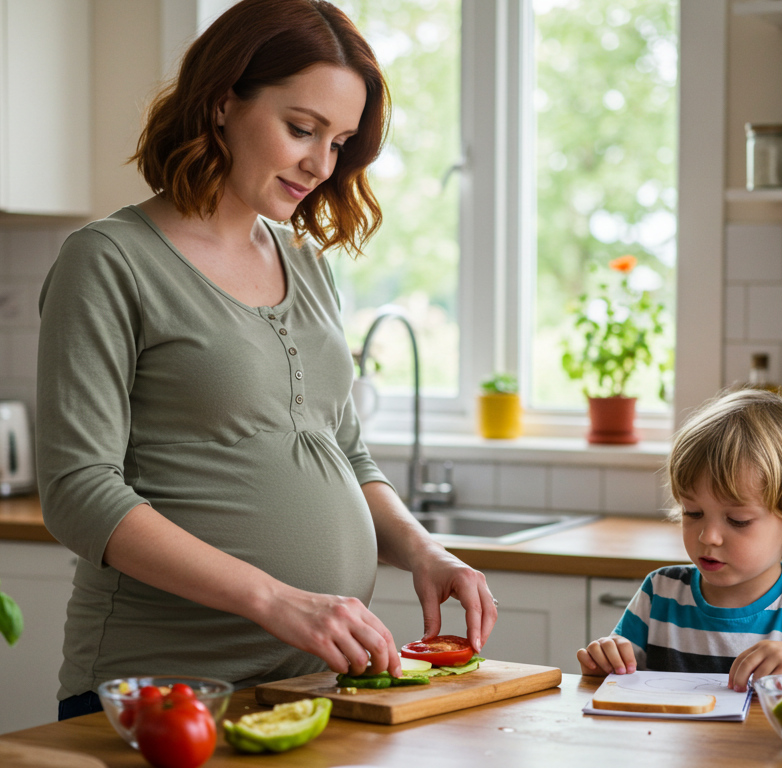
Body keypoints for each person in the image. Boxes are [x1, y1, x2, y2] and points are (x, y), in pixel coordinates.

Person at [38, 0, 496, 720]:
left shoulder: (306, 264)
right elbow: (78, 492)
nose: (321, 164)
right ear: (223, 102)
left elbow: (343, 448)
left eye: (340, 141)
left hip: (313, 684)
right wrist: (277, 600)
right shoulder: (109, 261)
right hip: (166, 689)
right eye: (301, 129)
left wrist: (422, 550)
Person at [577, 388, 782, 692]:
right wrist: (604, 663)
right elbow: (615, 680)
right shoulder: (660, 594)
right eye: (693, 512)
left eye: (738, 520)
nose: (709, 536)